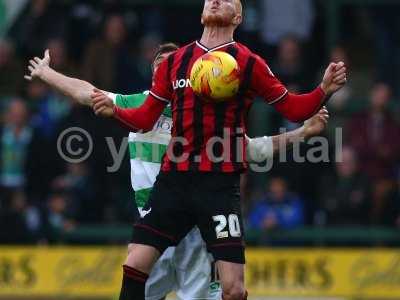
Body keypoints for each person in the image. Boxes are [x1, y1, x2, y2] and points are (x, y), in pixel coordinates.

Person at [26, 39, 329, 300]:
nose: (163, 66)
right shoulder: (140, 104)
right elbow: (87, 92)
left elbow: (253, 148)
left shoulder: (206, 114)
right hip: (155, 223)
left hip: (195, 231)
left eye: (170, 62)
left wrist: (302, 134)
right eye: (158, 62)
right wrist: (47, 73)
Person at [91, 1, 346, 299]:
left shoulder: (249, 63)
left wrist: (323, 90)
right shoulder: (176, 60)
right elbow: (145, 117)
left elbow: (292, 107)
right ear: (201, 14)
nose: (215, 1)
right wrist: (114, 111)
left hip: (219, 185)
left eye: (226, 0)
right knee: (134, 264)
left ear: (238, 17)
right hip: (174, 180)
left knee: (234, 289)